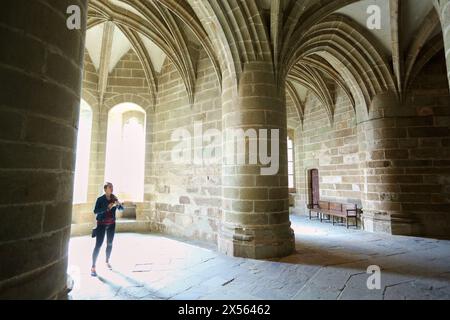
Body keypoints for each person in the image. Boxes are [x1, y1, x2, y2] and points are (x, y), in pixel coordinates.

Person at [91, 182, 124, 277]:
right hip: (101, 224)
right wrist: (107, 208)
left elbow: (122, 209)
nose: (112, 189)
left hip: (111, 224)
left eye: (112, 187)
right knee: (98, 245)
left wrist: (118, 205)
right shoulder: (100, 199)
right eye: (110, 187)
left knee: (109, 243)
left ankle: (107, 261)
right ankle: (93, 267)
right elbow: (95, 211)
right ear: (105, 189)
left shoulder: (114, 198)